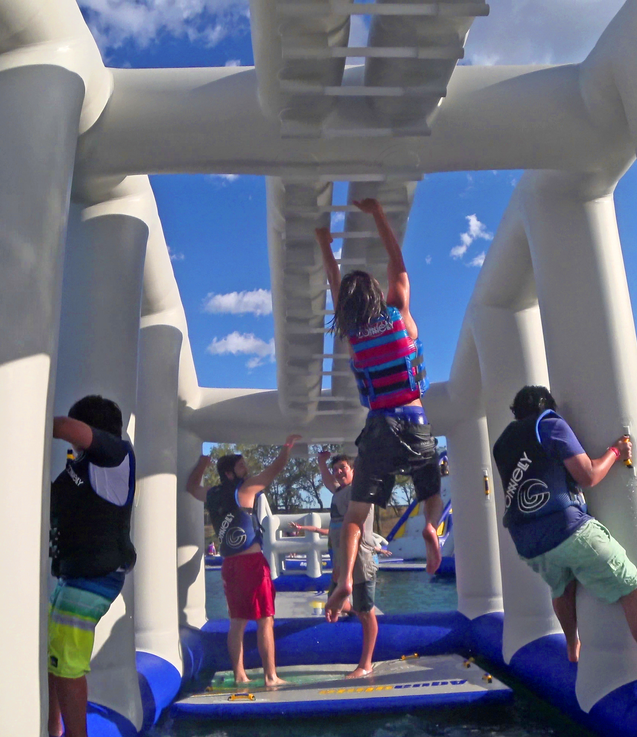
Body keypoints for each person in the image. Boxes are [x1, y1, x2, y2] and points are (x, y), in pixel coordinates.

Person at [491, 385, 637, 696]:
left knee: (562, 585)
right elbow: (588, 476)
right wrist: (616, 451)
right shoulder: (549, 423)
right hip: (567, 529)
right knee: (632, 586)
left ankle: (571, 646)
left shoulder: (503, 443)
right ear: (546, 405)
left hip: (527, 544)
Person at [316, 198, 444, 622]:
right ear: (378, 293)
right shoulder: (401, 312)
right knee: (430, 489)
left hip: (378, 427)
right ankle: (430, 525)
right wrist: (376, 215)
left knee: (355, 515)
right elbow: (397, 261)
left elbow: (334, 280)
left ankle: (345, 581)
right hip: (414, 417)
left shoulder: (352, 333)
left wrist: (323, 242)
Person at [47, 395, 138, 737]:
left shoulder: (115, 455)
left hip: (96, 576)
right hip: (77, 573)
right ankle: (54, 727)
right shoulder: (83, 466)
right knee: (53, 648)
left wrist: (23, 420)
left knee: (67, 657)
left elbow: (68, 428)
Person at [186, 436, 302, 687]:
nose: (246, 468)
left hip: (229, 566)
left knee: (237, 622)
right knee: (265, 620)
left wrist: (203, 461)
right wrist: (287, 447)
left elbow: (191, 487)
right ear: (229, 473)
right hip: (251, 564)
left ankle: (240, 675)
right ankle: (271, 676)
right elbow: (274, 471)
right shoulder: (245, 489)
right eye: (241, 466)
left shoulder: (212, 494)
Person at [292, 451, 392, 677]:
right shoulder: (339, 492)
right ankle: (355, 609)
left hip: (360, 560)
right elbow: (329, 481)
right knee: (334, 604)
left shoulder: (359, 491)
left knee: (367, 612)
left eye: (343, 468)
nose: (338, 472)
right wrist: (320, 463)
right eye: (336, 469)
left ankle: (365, 665)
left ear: (354, 471)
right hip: (341, 560)